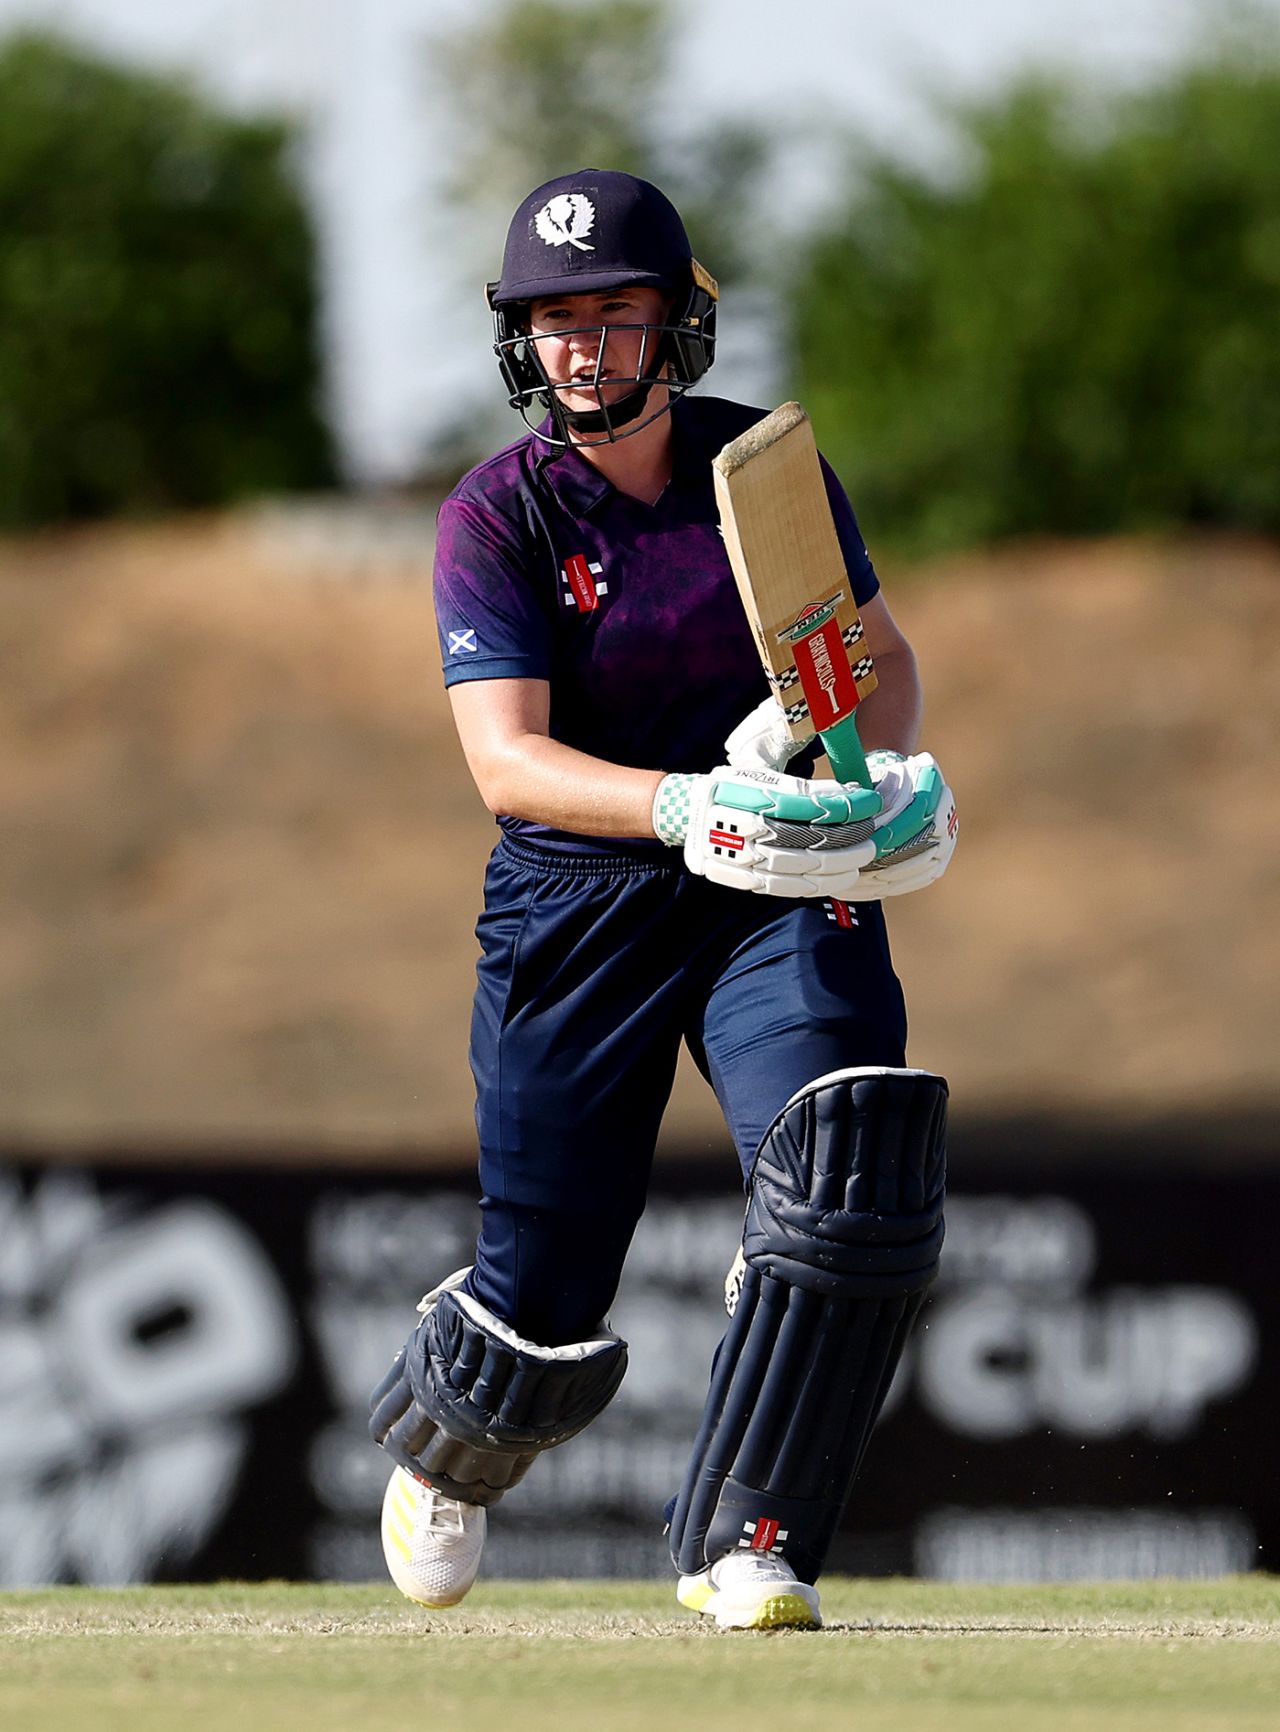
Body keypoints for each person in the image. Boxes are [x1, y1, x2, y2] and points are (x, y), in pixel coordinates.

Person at [369, 169, 956, 1631]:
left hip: (769, 893)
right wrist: (688, 799)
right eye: (553, 320)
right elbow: (506, 765)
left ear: (675, 325)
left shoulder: (760, 471)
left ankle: (749, 1542)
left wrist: (882, 769)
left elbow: (869, 660)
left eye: (612, 317)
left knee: (847, 1168)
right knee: (544, 1306)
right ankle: (449, 1443)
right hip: (582, 905)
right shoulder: (495, 515)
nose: (581, 348)